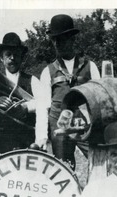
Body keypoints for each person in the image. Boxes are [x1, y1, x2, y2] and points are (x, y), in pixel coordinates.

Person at [40, 14, 100, 169]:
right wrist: (42, 136)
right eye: (55, 39)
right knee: (63, 169)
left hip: (86, 124)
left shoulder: (90, 66)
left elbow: (100, 98)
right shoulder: (47, 71)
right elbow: (43, 107)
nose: (58, 43)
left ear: (73, 39)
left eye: (63, 38)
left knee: (98, 162)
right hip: (60, 127)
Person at [0, 32, 48, 157]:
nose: (12, 58)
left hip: (27, 139)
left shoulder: (33, 80)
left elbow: (44, 104)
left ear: (22, 57)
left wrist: (26, 107)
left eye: (16, 54)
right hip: (1, 142)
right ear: (1, 58)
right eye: (8, 54)